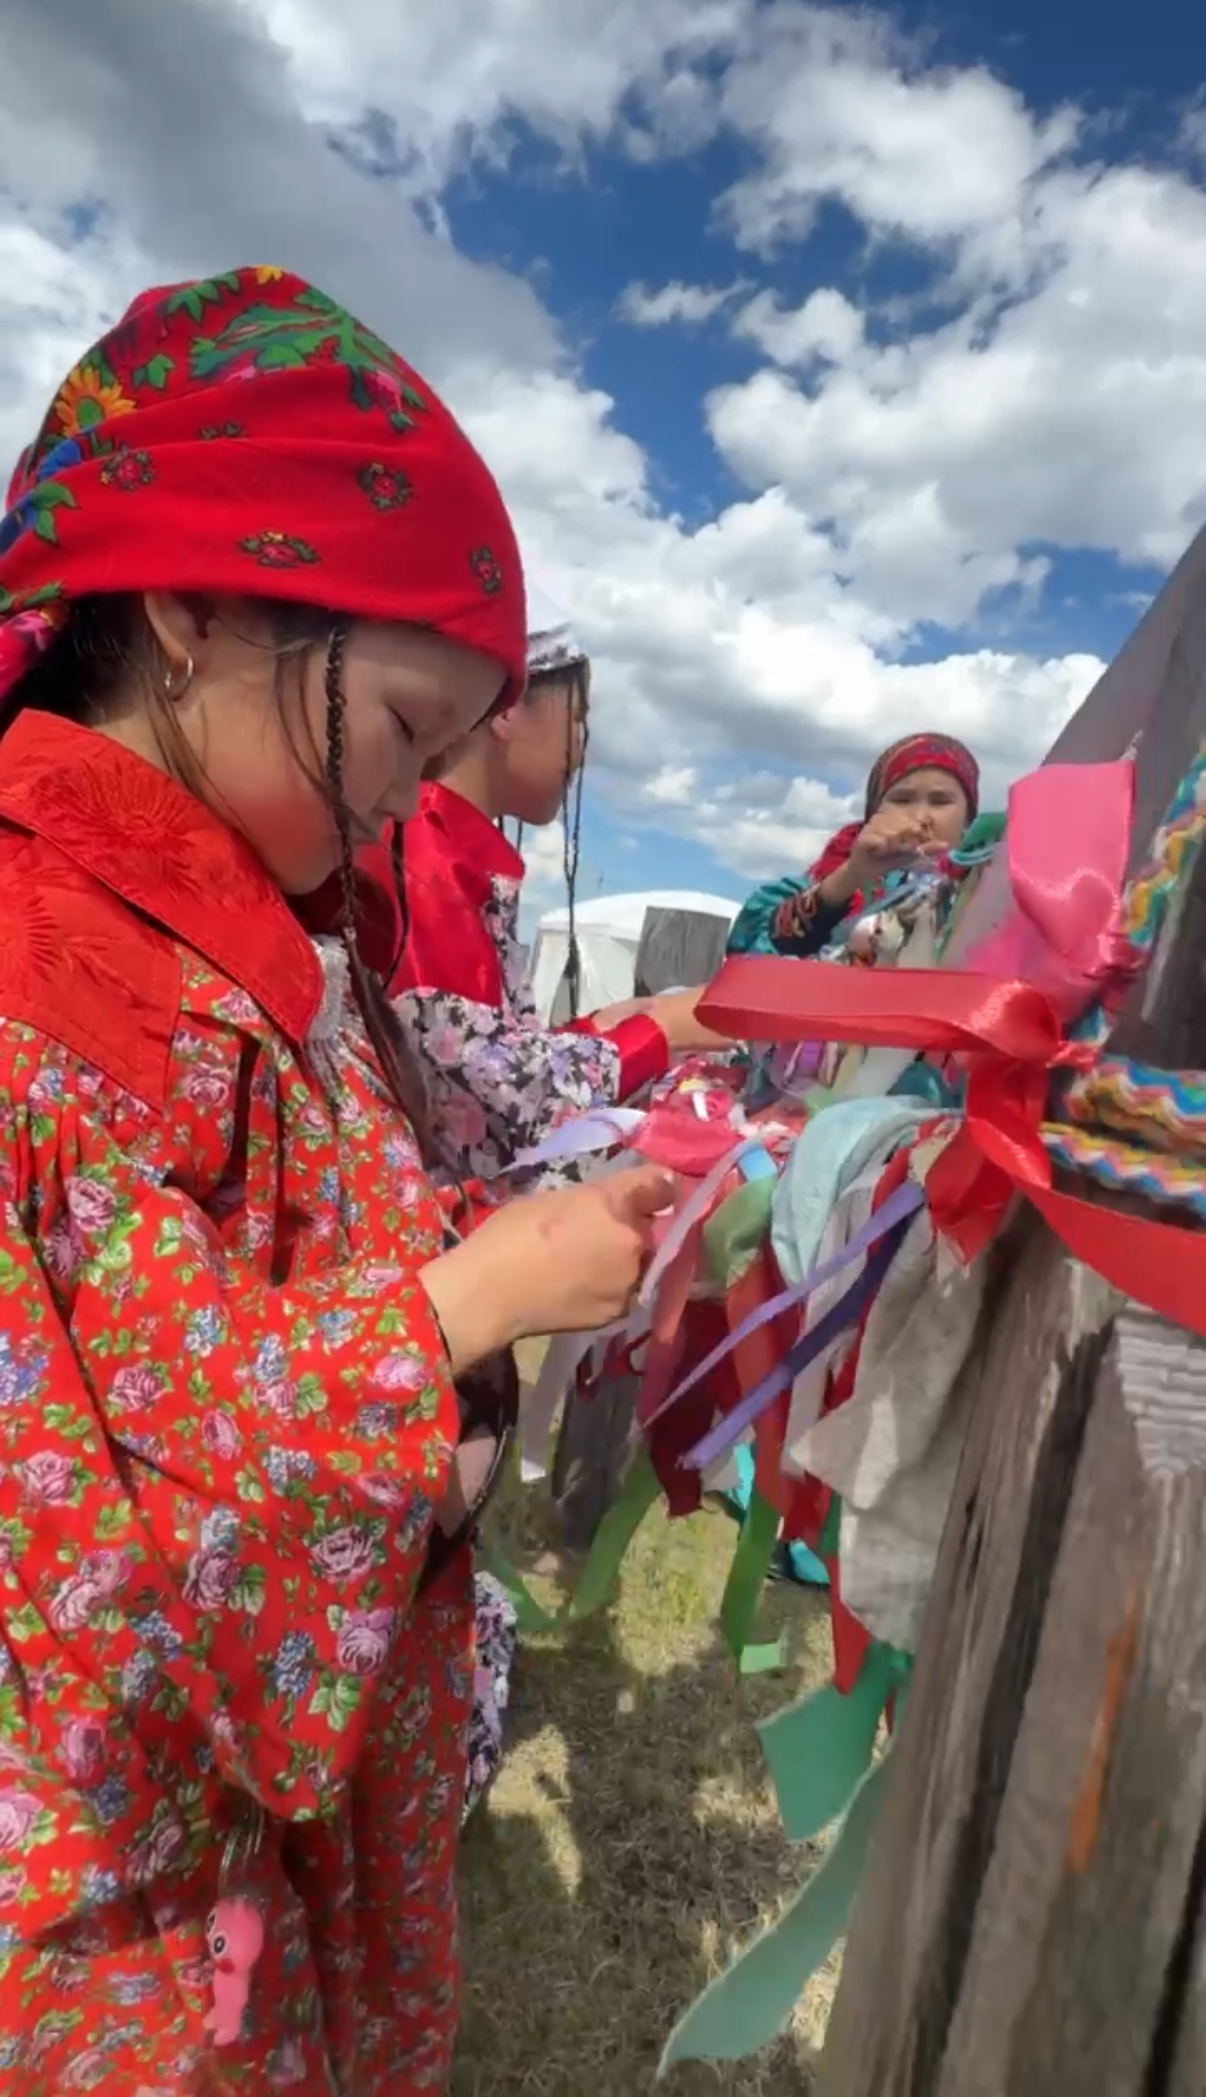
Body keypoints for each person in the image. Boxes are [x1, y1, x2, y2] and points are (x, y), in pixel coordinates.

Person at [0, 266, 673, 2096]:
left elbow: (301, 1243)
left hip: (291, 1816)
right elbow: (87, 1533)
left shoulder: (258, 939)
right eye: (395, 730)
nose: (404, 803)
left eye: (446, 754)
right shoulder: (40, 967)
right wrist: (458, 1311)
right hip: (134, 1891)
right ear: (190, 609)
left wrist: (491, 1250)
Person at [360, 590, 725, 1181]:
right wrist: (663, 1030)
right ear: (506, 708)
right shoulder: (421, 854)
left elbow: (477, 1054)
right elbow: (483, 1105)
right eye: (577, 716)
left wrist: (603, 1028)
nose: (580, 745)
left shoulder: (450, 849)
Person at [727, 732, 981, 960]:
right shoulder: (824, 882)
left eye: (940, 801)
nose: (920, 817)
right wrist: (851, 875)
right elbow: (754, 955)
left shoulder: (990, 891)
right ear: (873, 812)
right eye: (901, 799)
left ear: (968, 818)